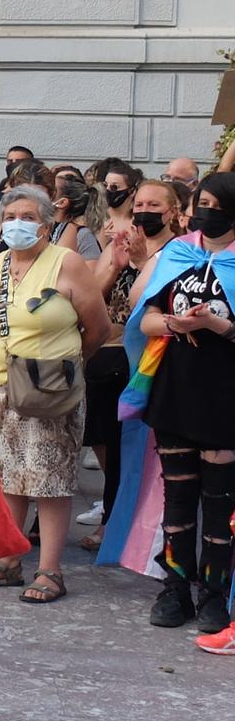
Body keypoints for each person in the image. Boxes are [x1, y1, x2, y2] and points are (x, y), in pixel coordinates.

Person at [0, 186, 107, 604]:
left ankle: (50, 570)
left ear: (45, 223)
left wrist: (63, 365)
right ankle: (8, 559)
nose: (17, 223)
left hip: (47, 389)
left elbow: (95, 329)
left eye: (27, 216)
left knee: (50, 480)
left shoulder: (68, 263)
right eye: (10, 216)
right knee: (7, 476)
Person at [127, 171, 235, 636]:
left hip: (225, 394)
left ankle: (214, 591)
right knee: (178, 494)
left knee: (218, 499)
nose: (204, 211)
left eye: (214, 202)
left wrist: (217, 326)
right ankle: (175, 586)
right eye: (200, 202)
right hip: (176, 386)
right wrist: (173, 324)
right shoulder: (178, 253)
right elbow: (142, 314)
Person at [82, 178, 184, 540]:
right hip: (109, 353)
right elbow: (91, 296)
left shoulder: (179, 250)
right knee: (105, 436)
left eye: (155, 206)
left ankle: (124, 521)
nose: (144, 212)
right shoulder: (121, 242)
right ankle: (116, 511)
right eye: (140, 204)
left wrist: (142, 263)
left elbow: (151, 302)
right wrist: (115, 263)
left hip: (149, 359)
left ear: (173, 212)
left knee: (136, 445)